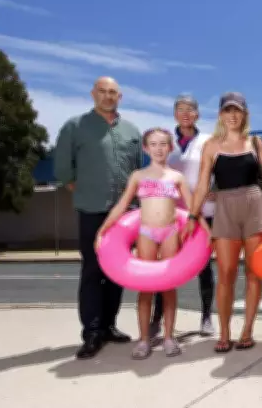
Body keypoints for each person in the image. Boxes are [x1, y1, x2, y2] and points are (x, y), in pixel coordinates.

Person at [181, 92, 262, 353]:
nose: (232, 115)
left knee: (254, 272)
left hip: (255, 204)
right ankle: (225, 332)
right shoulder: (212, 146)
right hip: (225, 207)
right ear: (220, 115)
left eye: (237, 110)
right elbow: (204, 184)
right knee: (225, 274)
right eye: (228, 111)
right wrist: (193, 215)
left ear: (245, 114)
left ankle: (247, 330)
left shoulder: (255, 141)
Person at [53, 76, 141, 360]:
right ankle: (91, 332)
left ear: (120, 96)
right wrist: (75, 184)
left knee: (116, 272)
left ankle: (108, 326)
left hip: (125, 214)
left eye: (113, 92)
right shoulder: (75, 126)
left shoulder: (131, 131)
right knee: (92, 271)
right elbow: (63, 168)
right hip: (92, 209)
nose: (107, 96)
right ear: (93, 94)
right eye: (102, 91)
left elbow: (137, 170)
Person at [94, 128, 202, 359]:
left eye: (163, 144)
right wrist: (102, 230)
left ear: (170, 148)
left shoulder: (176, 177)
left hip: (170, 232)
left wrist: (207, 232)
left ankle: (169, 337)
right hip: (146, 233)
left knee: (168, 287)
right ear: (146, 148)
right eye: (153, 144)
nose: (159, 148)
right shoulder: (138, 176)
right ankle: (144, 339)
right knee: (146, 288)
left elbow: (193, 208)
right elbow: (122, 205)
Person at [150, 94, 216, 339]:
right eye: (181, 109)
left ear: (198, 114)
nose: (186, 113)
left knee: (203, 266)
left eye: (191, 109)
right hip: (171, 214)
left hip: (203, 213)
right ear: (175, 114)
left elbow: (218, 170)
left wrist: (216, 190)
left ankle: (207, 316)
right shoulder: (165, 142)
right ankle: (157, 318)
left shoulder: (209, 140)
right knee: (165, 265)